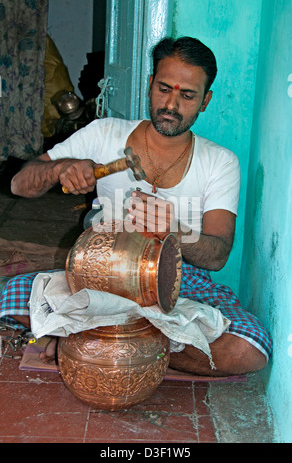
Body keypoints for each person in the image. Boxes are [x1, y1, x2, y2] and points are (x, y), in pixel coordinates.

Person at [4, 37, 272, 375]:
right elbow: (19, 183)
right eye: (163, 89)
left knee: (250, 348)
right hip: (101, 275)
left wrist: (173, 231)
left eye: (187, 95)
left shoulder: (220, 162)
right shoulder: (103, 134)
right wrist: (60, 169)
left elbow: (217, 255)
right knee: (15, 295)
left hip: (180, 282)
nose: (171, 104)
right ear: (149, 84)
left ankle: (91, 340)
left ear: (205, 101)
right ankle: (142, 343)